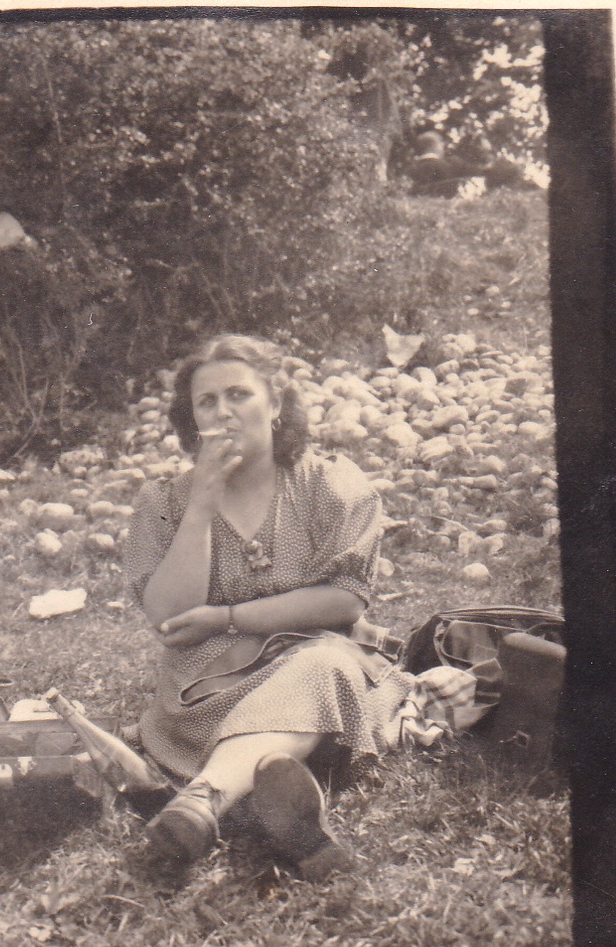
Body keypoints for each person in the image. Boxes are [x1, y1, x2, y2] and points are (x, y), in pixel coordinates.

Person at [117, 335, 414, 880]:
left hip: (315, 670)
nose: (224, 412)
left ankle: (203, 803)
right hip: (208, 691)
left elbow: (345, 599)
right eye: (208, 402)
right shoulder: (163, 504)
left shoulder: (328, 484)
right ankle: (274, 800)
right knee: (298, 715)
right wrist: (202, 502)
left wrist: (230, 617)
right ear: (192, 421)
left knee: (325, 663)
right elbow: (168, 616)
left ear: (274, 404)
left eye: (239, 394)